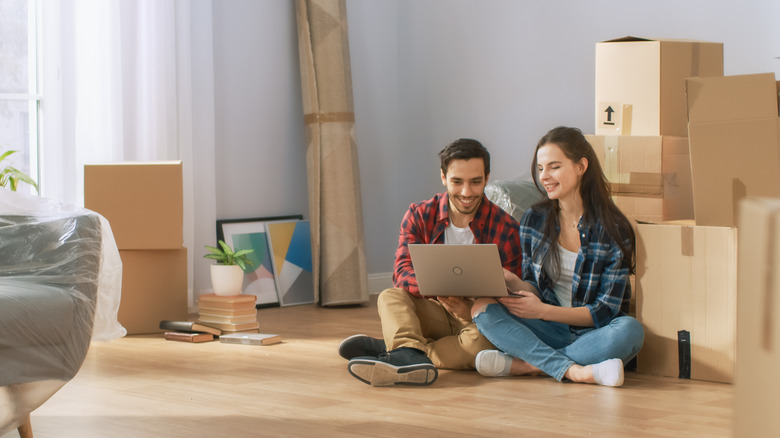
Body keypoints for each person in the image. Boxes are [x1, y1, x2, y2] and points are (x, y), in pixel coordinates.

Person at [339, 138, 522, 387]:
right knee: (390, 296)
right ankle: (405, 349)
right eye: (457, 181)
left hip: (476, 319)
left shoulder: (507, 228)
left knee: (480, 349)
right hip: (433, 305)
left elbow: (512, 293)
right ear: (443, 177)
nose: (466, 192)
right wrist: (440, 290)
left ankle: (402, 349)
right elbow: (402, 273)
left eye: (475, 182)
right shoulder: (419, 215)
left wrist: (470, 309)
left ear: (487, 178)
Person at [471, 126, 644, 387]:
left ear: (580, 166)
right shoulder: (534, 220)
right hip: (547, 328)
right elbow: (534, 285)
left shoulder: (613, 229)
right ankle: (575, 371)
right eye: (541, 169)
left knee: (630, 331)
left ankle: (529, 366)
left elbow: (606, 311)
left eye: (554, 167)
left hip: (593, 333)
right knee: (482, 307)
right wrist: (511, 282)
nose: (545, 177)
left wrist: (544, 311)